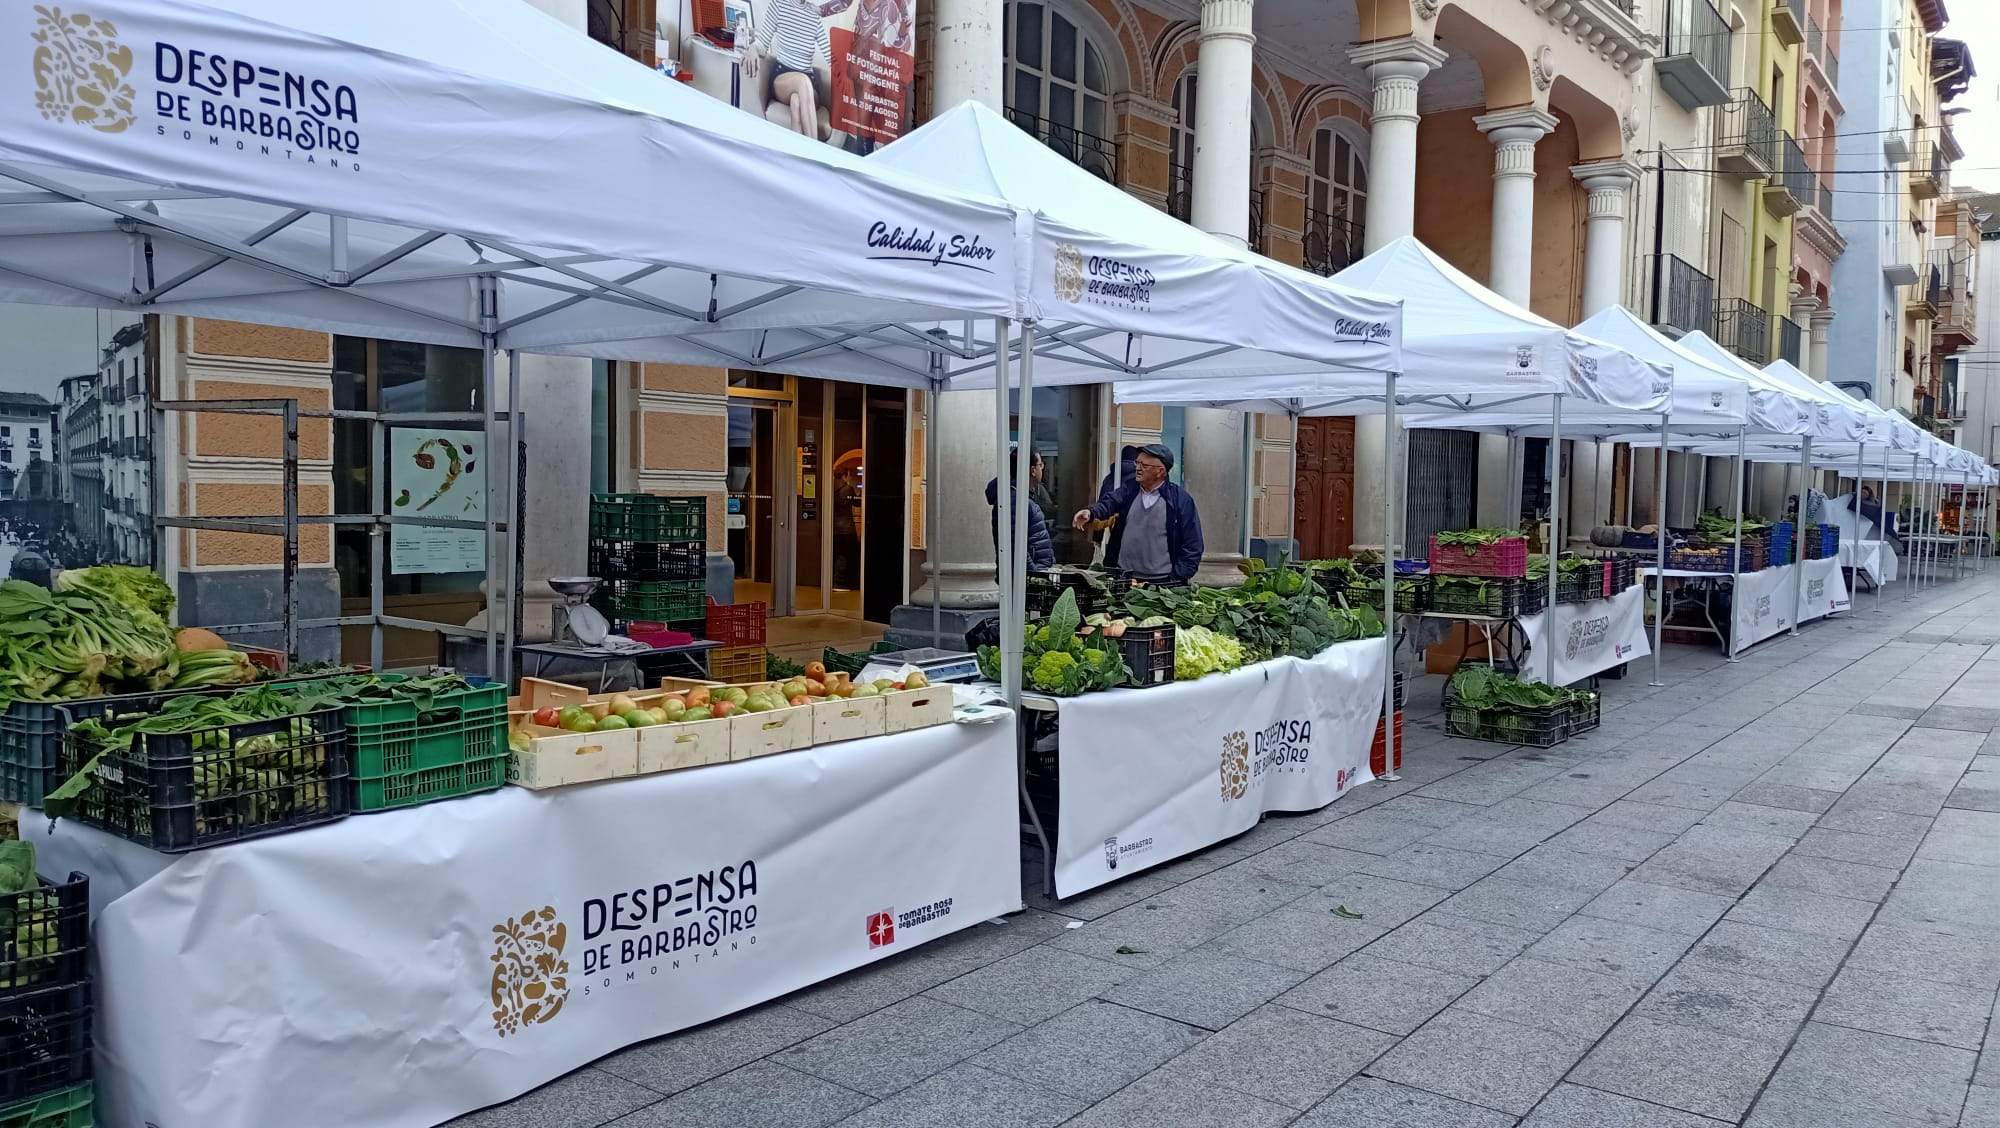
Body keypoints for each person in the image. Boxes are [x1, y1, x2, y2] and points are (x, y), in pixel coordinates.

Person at [1071, 444, 1202, 583]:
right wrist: (1091, 512)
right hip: (1123, 578)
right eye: (1137, 462)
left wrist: (1177, 578)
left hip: (1163, 582)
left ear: (1160, 471)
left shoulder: (1180, 500)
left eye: (1144, 465)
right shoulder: (1129, 489)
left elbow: (1193, 545)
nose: (1138, 468)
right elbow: (1109, 502)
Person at [988, 446, 1054, 571]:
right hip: (1025, 580)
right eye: (1041, 465)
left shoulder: (1022, 497)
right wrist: (1033, 572)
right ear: (1033, 470)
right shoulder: (1014, 500)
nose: (1042, 468)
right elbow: (1014, 545)